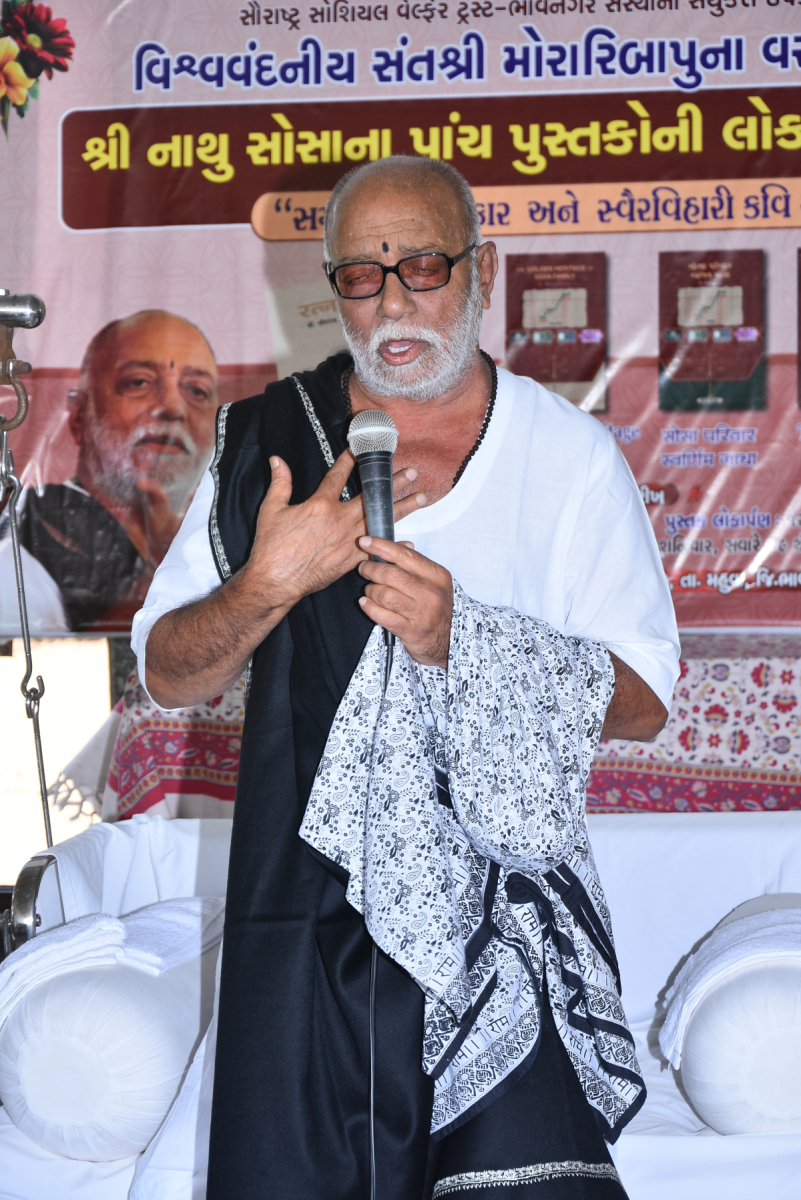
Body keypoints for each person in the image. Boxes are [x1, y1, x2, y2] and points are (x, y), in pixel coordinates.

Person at [132, 157, 679, 1199]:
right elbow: (168, 673)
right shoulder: (268, 448)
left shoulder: (568, 458)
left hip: (501, 929)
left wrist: (465, 641)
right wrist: (268, 583)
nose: (391, 303)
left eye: (422, 266)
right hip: (302, 915)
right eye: (359, 276)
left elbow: (645, 700)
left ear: (485, 269)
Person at [11, 309, 219, 632]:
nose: (174, 408)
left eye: (196, 390)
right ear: (80, 415)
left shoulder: (231, 537)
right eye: (139, 382)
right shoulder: (22, 549)